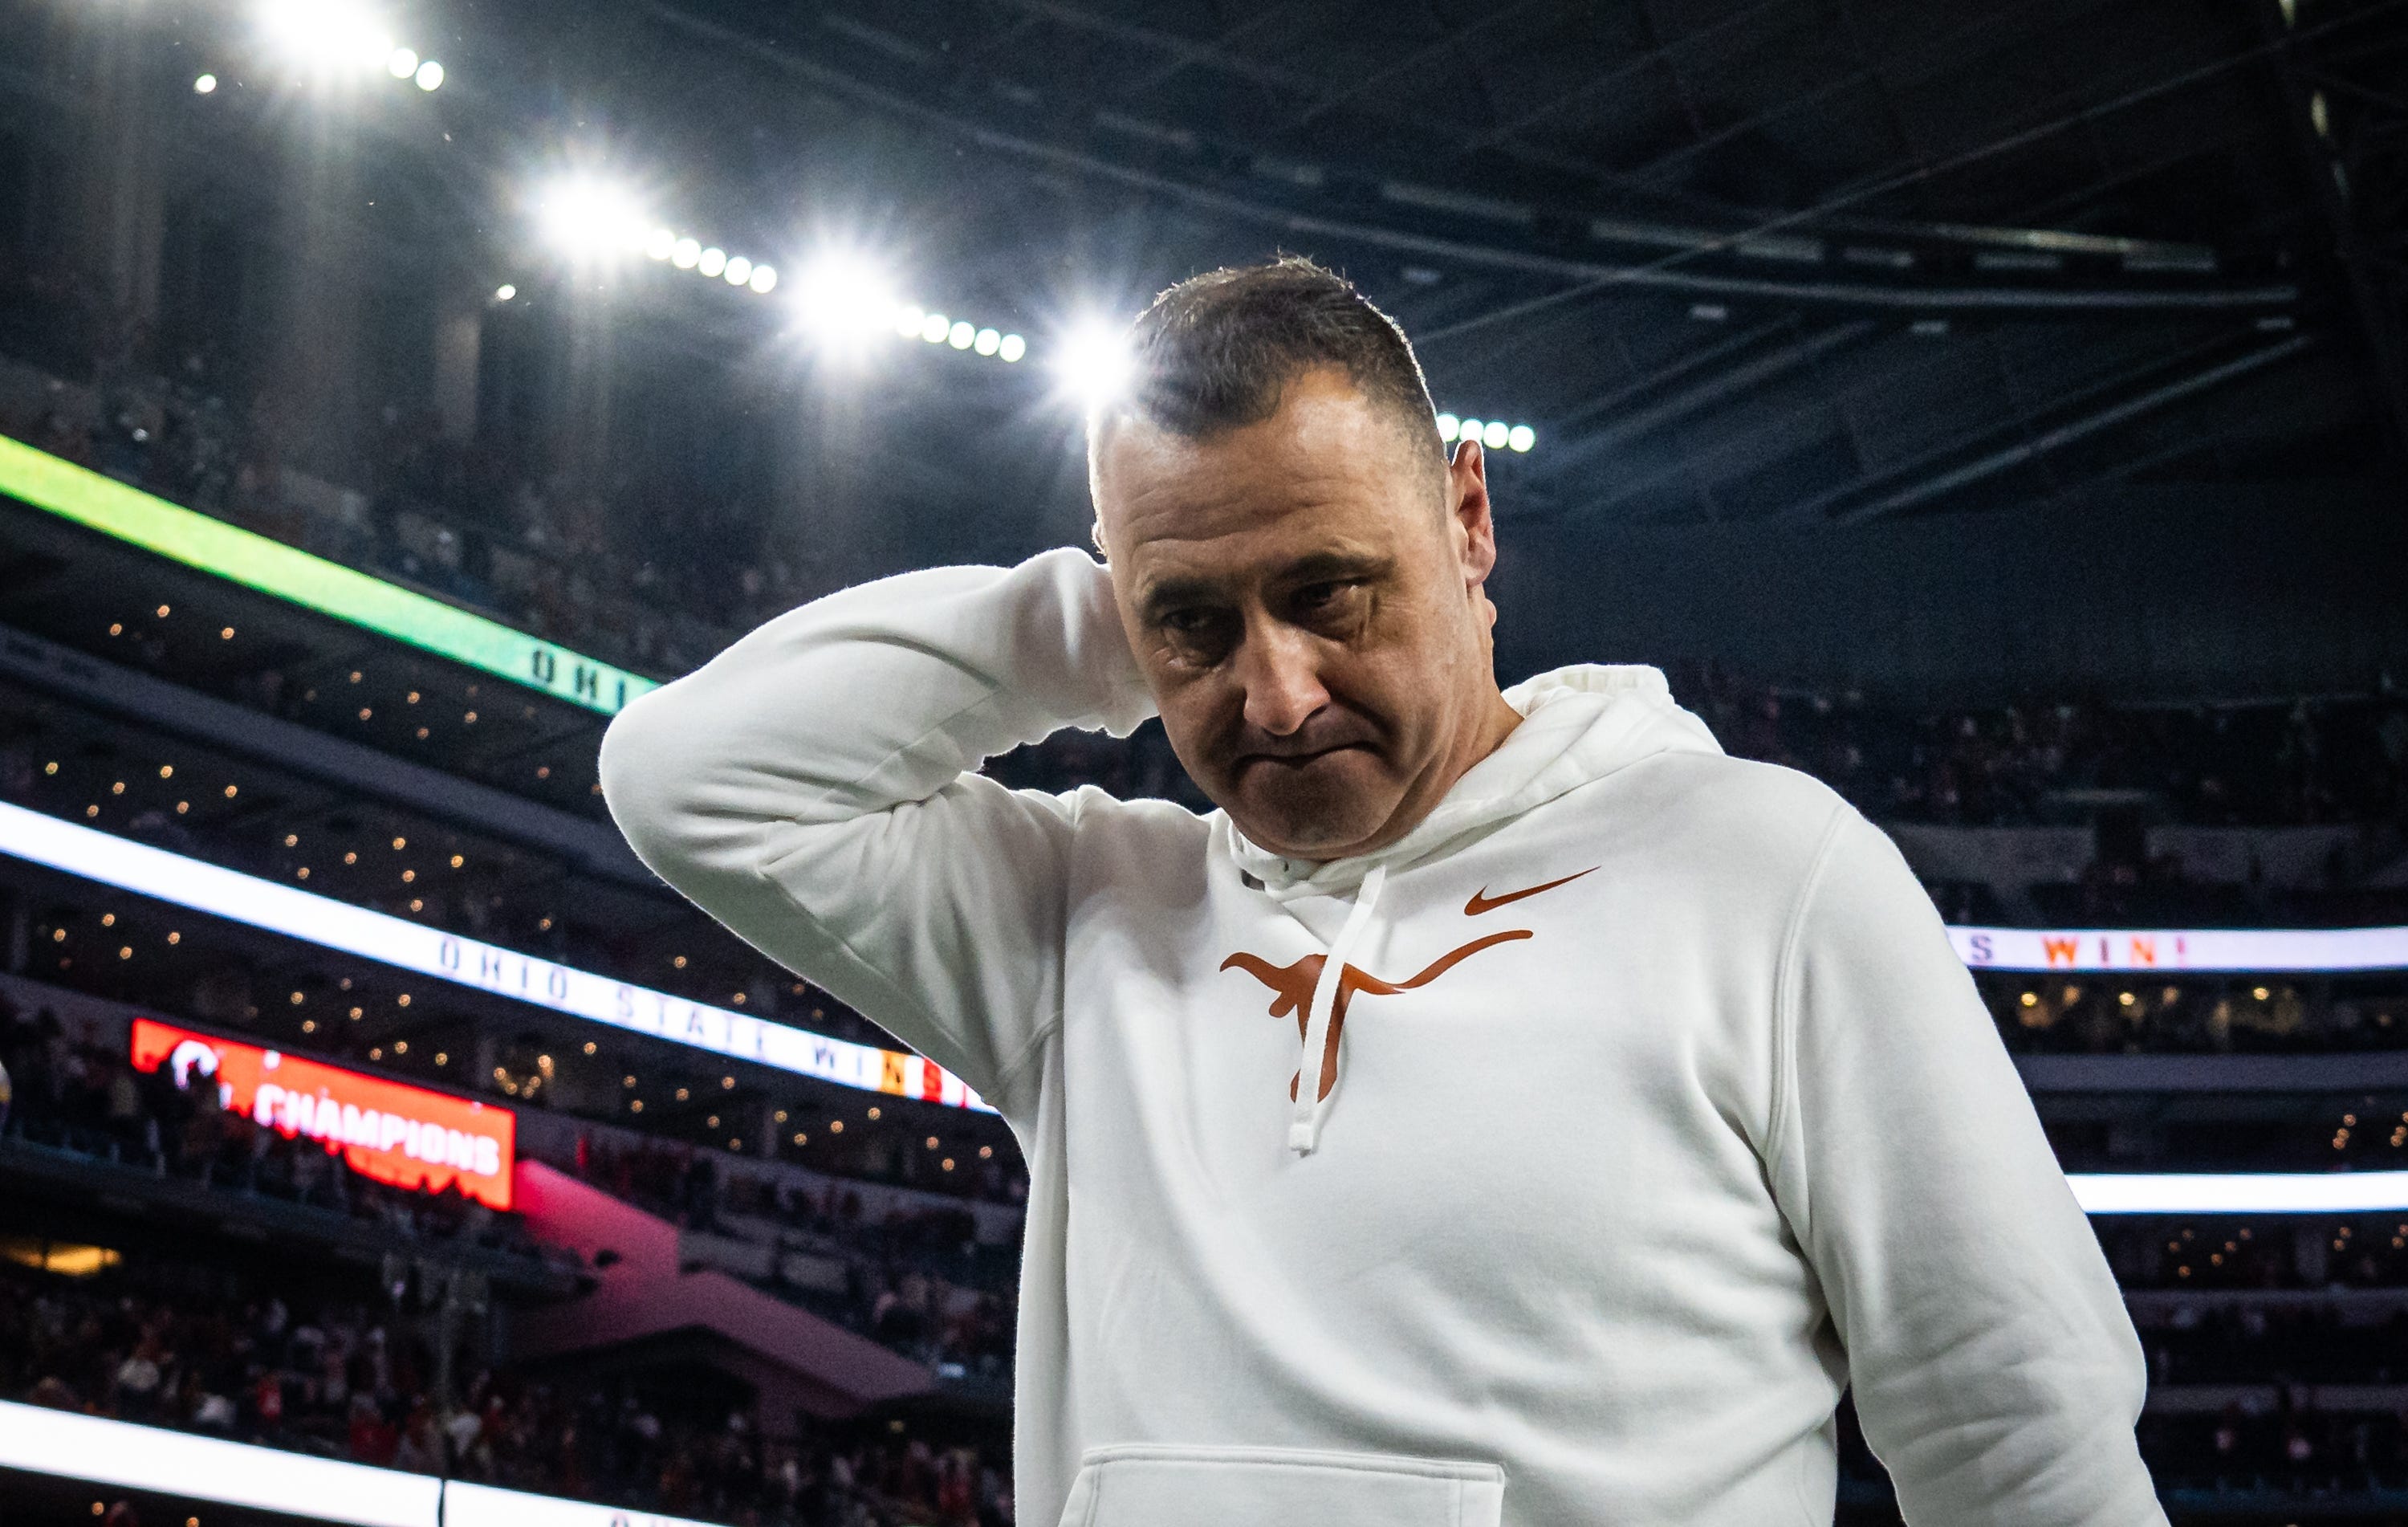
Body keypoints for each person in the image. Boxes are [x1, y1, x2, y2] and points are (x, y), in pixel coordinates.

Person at [601, 257, 2162, 1527]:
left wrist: (1188, 585)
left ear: (1468, 520)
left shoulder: (1769, 872)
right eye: (1196, 626)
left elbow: (2023, 1447)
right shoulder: (1082, 917)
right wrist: (1112, 613)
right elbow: (688, 776)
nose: (1276, 696)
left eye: (1328, 592)